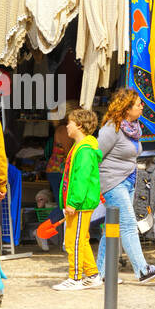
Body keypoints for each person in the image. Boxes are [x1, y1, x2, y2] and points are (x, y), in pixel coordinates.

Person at [96, 88, 155, 284]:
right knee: (128, 225)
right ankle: (142, 270)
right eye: (138, 104)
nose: (142, 106)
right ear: (126, 108)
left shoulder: (134, 129)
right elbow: (95, 156)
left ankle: (101, 272)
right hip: (113, 182)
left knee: (112, 228)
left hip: (128, 180)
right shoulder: (112, 129)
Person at [53, 107, 102, 291]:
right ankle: (92, 274)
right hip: (78, 203)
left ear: (79, 126)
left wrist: (72, 203)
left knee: (73, 241)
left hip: (80, 204)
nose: (67, 126)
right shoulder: (80, 148)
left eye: (70, 123)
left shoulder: (84, 151)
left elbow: (81, 179)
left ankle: (75, 278)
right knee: (81, 240)